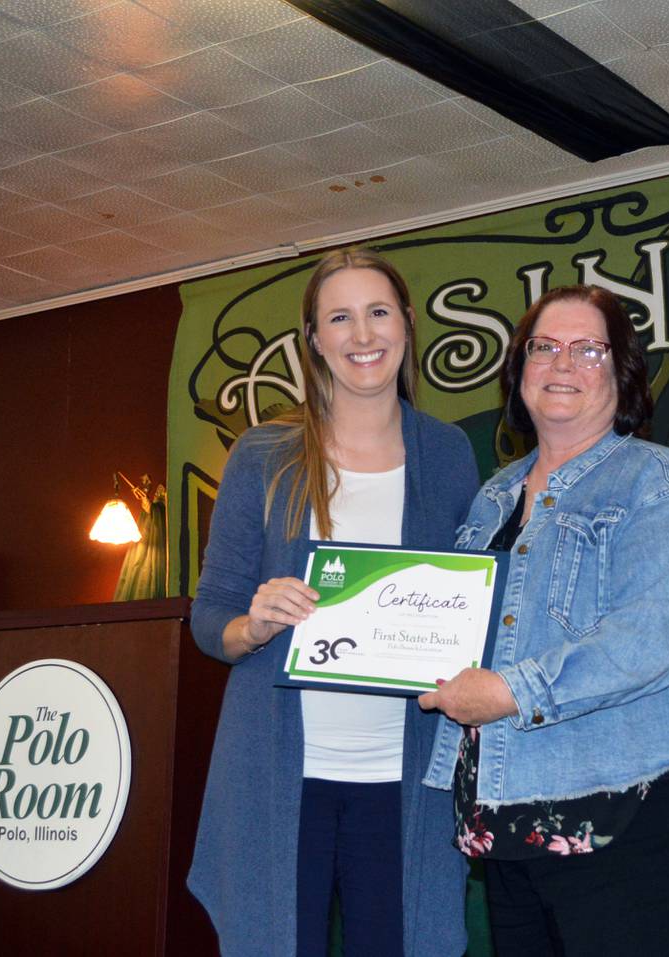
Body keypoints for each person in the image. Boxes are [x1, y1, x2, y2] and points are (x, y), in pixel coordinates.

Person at [418, 285, 669, 956]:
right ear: (519, 369)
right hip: (509, 817)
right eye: (544, 347)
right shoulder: (495, 495)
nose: (561, 364)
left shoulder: (659, 484)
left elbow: (658, 635)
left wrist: (510, 692)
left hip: (628, 812)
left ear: (622, 375)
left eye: (588, 349)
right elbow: (456, 623)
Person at [188, 249, 478, 957]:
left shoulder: (448, 454)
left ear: (407, 324)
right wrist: (252, 624)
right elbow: (208, 618)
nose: (362, 333)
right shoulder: (264, 454)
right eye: (339, 317)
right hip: (282, 776)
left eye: (378, 311)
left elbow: (471, 605)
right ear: (313, 338)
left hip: (405, 781)